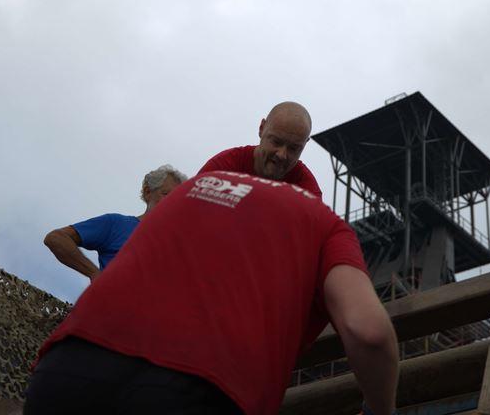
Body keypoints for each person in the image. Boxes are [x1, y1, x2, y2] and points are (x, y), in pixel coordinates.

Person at [25, 170, 399, 415]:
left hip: (68, 367)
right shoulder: (324, 224)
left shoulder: (196, 195)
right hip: (196, 388)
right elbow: (369, 330)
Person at [43, 164, 186, 280]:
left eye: (176, 199)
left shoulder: (178, 247)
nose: (171, 202)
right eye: (166, 194)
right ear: (148, 192)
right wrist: (94, 273)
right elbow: (56, 238)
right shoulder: (116, 225)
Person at [198, 101, 322, 198]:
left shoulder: (307, 191)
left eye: (293, 148)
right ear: (261, 128)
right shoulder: (223, 169)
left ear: (305, 144)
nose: (282, 154)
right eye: (276, 142)